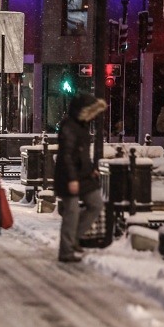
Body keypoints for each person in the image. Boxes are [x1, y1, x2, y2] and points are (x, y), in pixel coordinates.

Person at [55, 93, 107, 263]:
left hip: (83, 175)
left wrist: (92, 169)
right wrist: (72, 179)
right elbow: (67, 155)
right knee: (72, 212)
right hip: (69, 176)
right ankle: (66, 251)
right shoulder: (69, 126)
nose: (93, 115)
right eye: (91, 111)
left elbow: (82, 153)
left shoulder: (83, 125)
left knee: (96, 205)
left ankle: (74, 237)